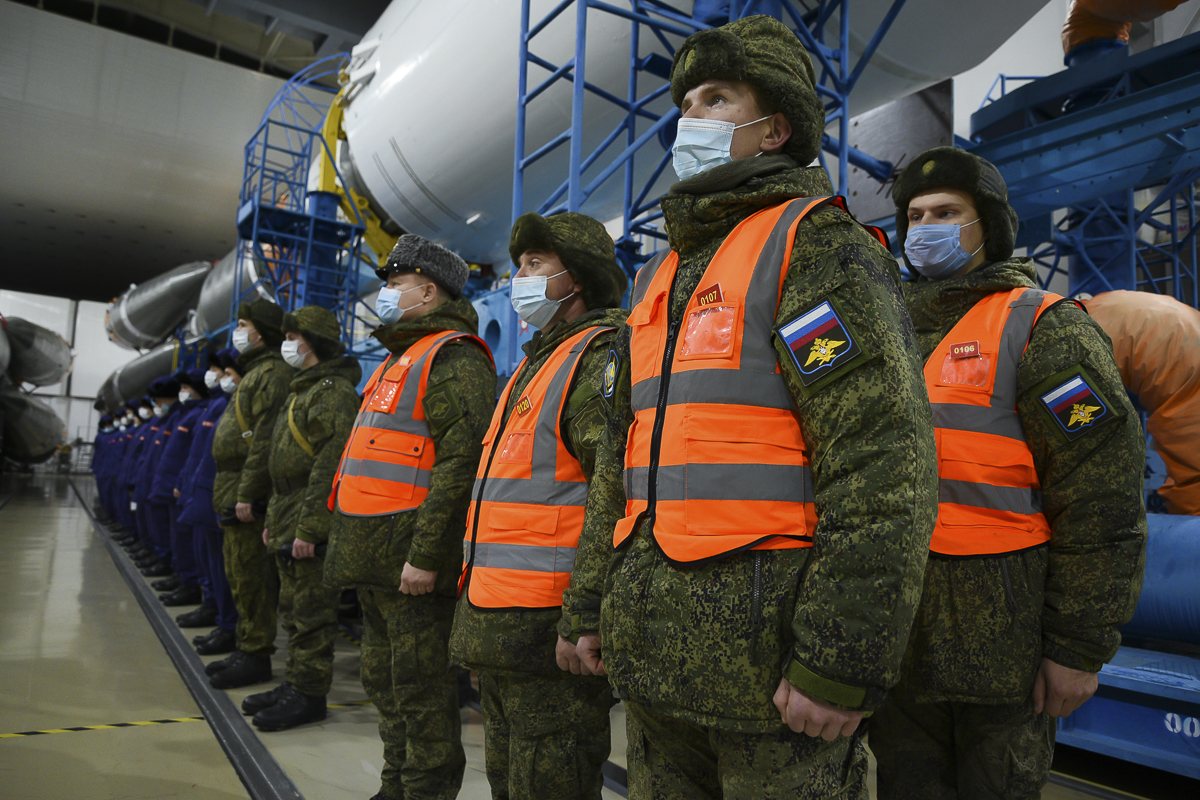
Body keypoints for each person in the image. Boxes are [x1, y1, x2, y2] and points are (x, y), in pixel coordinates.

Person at [568, 16, 939, 799]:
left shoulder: (815, 247)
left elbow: (882, 466)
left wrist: (839, 660)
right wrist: (590, 607)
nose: (690, 118)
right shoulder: (662, 279)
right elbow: (619, 473)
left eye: (717, 98)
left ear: (774, 128)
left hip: (772, 687)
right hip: (656, 663)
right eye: (687, 101)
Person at [869, 146, 1148, 799]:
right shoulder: (886, 335)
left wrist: (1079, 647)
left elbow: (1102, 500)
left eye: (946, 212)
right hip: (898, 650)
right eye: (915, 215)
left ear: (985, 226)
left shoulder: (1046, 331)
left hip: (1004, 657)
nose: (925, 227)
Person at [449, 212, 628, 798]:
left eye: (534, 265)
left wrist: (584, 616)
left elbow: (613, 496)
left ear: (577, 278)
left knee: (548, 782)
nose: (517, 279)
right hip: (506, 625)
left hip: (552, 631)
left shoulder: (595, 359)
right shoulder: (535, 365)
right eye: (518, 265)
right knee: (511, 782)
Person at [324, 234, 497, 800]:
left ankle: (425, 791)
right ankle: (394, 785)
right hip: (375, 563)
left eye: (395, 285)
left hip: (411, 571)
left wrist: (426, 556)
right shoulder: (399, 358)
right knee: (385, 684)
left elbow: (459, 465)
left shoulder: (452, 356)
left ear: (428, 290)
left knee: (421, 695)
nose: (386, 294)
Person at [239, 306, 361, 731]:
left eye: (294, 335)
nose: (287, 343)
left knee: (311, 613)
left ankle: (309, 693)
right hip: (288, 507)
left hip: (309, 514)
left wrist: (311, 528)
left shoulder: (332, 393)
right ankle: (293, 683)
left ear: (311, 341)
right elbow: (284, 470)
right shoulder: (302, 390)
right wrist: (276, 518)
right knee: (290, 609)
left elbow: (328, 470)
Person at [205, 300, 294, 690]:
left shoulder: (271, 374)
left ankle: (256, 652)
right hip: (233, 482)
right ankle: (246, 644)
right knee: (238, 573)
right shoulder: (257, 372)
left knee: (252, 575)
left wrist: (248, 492)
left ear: (262, 332)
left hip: (245, 486)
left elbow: (263, 441)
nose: (238, 332)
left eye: (243, 325)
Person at [178, 349, 241, 655]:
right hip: (203, 494)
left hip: (220, 497)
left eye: (224, 371)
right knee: (209, 560)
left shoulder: (232, 406)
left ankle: (228, 623)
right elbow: (199, 455)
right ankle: (214, 610)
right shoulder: (218, 405)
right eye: (219, 371)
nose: (218, 377)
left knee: (223, 565)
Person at [150, 368, 210, 606]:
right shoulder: (183, 415)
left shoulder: (197, 414)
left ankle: (190, 583)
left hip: (184, 488)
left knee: (186, 539)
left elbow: (194, 456)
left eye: (186, 388)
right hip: (174, 485)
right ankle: (182, 576)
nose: (182, 392)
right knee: (177, 537)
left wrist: (183, 483)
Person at [133, 376, 183, 578]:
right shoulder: (163, 420)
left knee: (171, 531)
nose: (156, 406)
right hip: (155, 481)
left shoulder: (179, 418)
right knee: (157, 526)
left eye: (159, 401)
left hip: (169, 485)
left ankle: (171, 566)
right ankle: (159, 556)